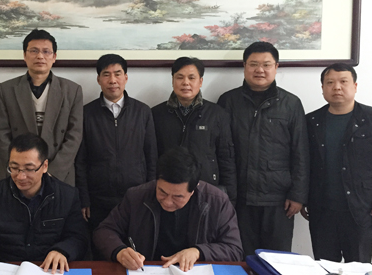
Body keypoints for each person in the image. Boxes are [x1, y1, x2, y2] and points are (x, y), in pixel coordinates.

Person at [0, 133, 88, 275]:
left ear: (45, 166)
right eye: (14, 168)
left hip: (49, 271)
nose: (21, 176)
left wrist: (62, 250)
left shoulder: (67, 195)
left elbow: (78, 238)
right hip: (5, 271)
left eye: (29, 169)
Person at [302, 63, 372, 262]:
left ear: (355, 86)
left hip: (362, 210)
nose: (337, 87)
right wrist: (302, 197)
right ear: (322, 88)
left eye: (343, 82)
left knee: (359, 269)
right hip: (322, 211)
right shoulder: (311, 121)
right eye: (330, 83)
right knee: (324, 268)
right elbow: (302, 163)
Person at [217, 41, 308, 257]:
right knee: (240, 258)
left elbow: (301, 152)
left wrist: (298, 195)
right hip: (239, 198)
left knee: (278, 261)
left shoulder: (291, 104)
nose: (260, 70)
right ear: (244, 66)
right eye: (253, 64)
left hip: (279, 200)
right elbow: (220, 151)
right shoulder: (228, 101)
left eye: (266, 64)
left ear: (276, 67)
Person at [93, 147, 243, 271]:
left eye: (177, 197)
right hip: (147, 273)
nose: (167, 202)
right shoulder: (137, 196)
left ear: (193, 190)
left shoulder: (217, 202)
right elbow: (104, 231)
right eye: (162, 192)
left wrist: (198, 252)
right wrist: (119, 251)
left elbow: (234, 249)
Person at [75, 54, 158, 239]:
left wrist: (151, 194)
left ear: (125, 77)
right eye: (106, 74)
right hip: (98, 198)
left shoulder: (142, 111)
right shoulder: (86, 114)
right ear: (98, 79)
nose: (112, 80)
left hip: (136, 196)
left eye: (117, 74)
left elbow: (151, 156)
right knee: (101, 244)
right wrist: (84, 198)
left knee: (135, 245)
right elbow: (80, 160)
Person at [0, 29, 83, 185]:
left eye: (46, 51)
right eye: (34, 51)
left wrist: (53, 172)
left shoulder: (72, 90)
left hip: (60, 174)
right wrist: (19, 170)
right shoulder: (6, 90)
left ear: (54, 57)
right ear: (24, 55)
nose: (40, 56)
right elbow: (1, 133)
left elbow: (74, 135)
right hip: (20, 176)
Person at [151, 57, 237, 203]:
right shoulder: (156, 114)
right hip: (169, 192)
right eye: (180, 77)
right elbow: (152, 157)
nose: (186, 83)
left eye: (191, 78)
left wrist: (230, 198)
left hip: (207, 190)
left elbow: (226, 158)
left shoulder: (217, 114)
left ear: (200, 81)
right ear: (173, 80)